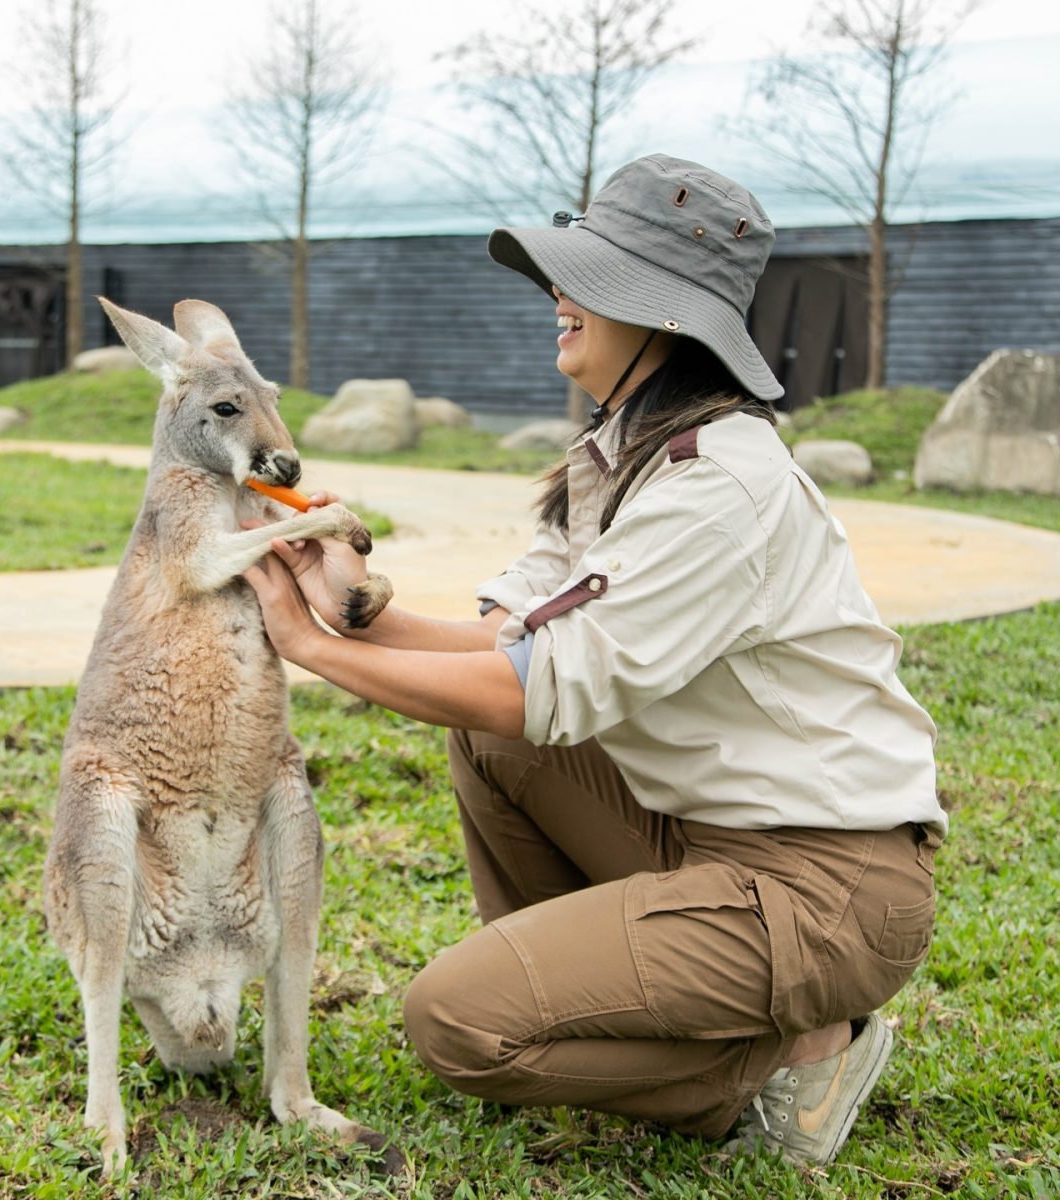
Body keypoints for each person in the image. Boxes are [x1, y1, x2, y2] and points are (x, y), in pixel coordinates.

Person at [244, 153, 946, 1166]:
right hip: (706, 842)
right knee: (488, 740)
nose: (559, 295)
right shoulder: (622, 455)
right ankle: (634, 1004)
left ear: (660, 312)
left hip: (825, 886)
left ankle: (792, 1056)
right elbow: (513, 641)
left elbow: (539, 689)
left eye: (588, 276)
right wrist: (347, 610)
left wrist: (309, 648)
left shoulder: (718, 488)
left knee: (458, 1024)